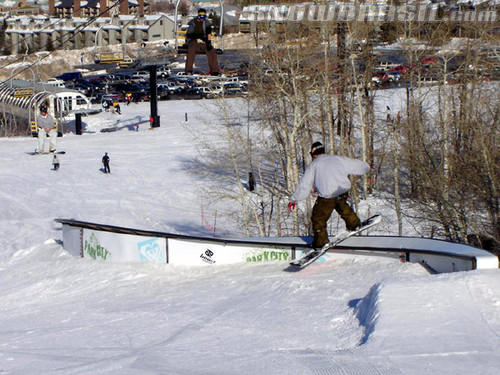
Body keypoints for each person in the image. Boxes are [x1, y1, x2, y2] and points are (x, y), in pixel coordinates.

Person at [288, 142, 370, 250]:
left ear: (313, 154)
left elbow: (305, 185)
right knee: (342, 206)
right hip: (342, 190)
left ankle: (321, 242)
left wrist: (294, 199)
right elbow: (356, 165)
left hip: (327, 195)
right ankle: (354, 223)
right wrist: (367, 167)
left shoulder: (314, 164)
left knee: (318, 218)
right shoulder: (337, 159)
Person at [184, 8, 220, 75]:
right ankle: (188, 70)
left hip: (203, 41)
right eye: (200, 16)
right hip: (194, 41)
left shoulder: (207, 23)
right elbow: (189, 34)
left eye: (203, 16)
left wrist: (208, 42)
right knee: (191, 50)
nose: (202, 18)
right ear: (198, 15)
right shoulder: (193, 23)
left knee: (211, 51)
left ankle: (214, 70)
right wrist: (197, 36)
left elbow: (208, 33)